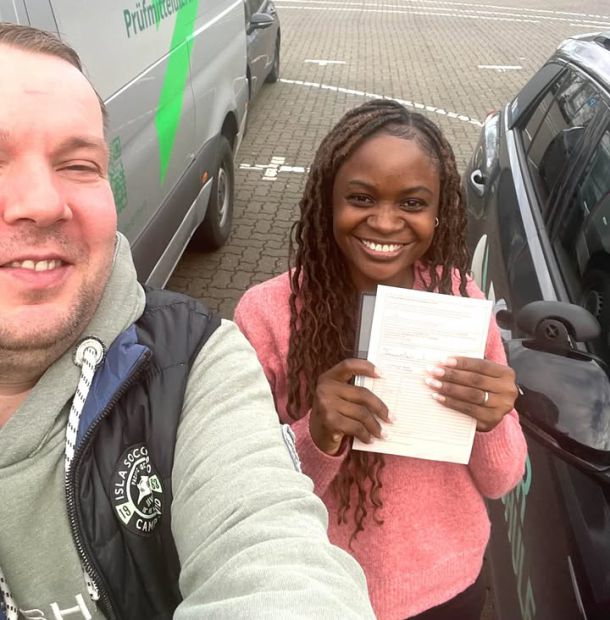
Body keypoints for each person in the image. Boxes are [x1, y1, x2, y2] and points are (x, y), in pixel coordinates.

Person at [0, 23, 376, 620]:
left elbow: (272, 552)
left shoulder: (192, 363)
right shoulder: (269, 309)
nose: (44, 203)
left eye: (79, 164)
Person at [234, 99, 528, 620]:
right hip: (319, 592)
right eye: (361, 198)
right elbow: (245, 488)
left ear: (439, 212)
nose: (386, 222)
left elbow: (501, 480)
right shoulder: (266, 314)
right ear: (328, 198)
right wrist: (317, 435)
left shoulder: (458, 297)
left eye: (412, 203)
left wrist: (493, 420)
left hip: (448, 587)